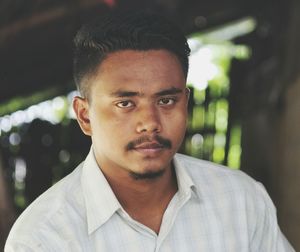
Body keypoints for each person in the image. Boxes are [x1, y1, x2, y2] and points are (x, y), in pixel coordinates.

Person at [5, 11, 295, 252]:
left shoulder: (241, 200)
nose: (150, 122)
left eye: (166, 100)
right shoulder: (42, 238)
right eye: (126, 103)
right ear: (84, 115)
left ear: (186, 104)